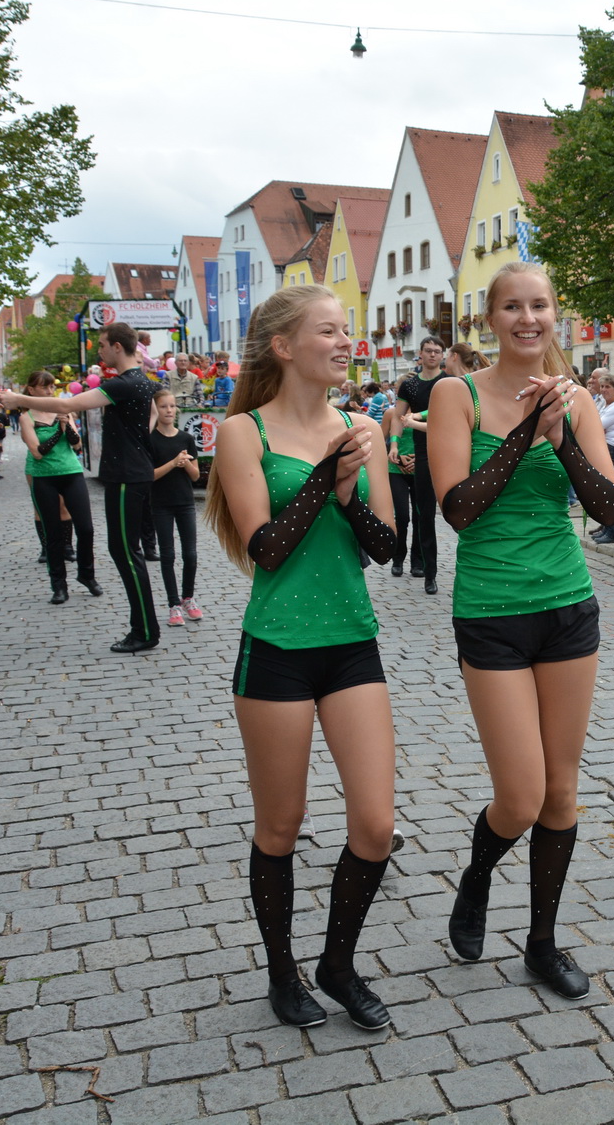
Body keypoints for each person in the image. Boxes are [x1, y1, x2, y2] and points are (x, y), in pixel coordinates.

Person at [206, 283, 399, 1030]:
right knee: (281, 825)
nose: (345, 341)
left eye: (346, 329)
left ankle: (337, 962)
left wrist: (351, 491)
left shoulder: (363, 425)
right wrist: (328, 475)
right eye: (329, 330)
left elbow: (384, 549)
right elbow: (266, 549)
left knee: (376, 825)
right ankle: (283, 974)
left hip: (353, 643)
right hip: (277, 650)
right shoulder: (242, 433)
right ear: (284, 347)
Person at [427, 261, 614, 1001]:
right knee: (520, 793)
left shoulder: (575, 401)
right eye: (513, 306)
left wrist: (562, 433)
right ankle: (477, 875)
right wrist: (521, 433)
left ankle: (542, 940)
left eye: (540, 304)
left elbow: (608, 508)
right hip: (492, 612)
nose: (528, 318)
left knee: (562, 792)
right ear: (491, 318)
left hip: (568, 606)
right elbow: (459, 509)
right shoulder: (457, 394)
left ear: (555, 314)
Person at [0, 322, 165, 653]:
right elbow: (150, 419)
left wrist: (16, 398)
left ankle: (145, 629)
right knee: (126, 551)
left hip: (126, 476)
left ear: (118, 346)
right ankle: (144, 626)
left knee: (125, 552)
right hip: (133, 472)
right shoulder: (144, 382)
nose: (99, 350)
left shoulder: (124, 383)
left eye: (103, 344)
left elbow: (66, 406)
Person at [19, 371, 100, 604]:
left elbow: (77, 446)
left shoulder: (62, 409)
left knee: (85, 528)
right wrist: (57, 431)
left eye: (50, 387)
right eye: (43, 387)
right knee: (53, 532)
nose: (48, 391)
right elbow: (37, 452)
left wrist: (69, 428)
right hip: (43, 476)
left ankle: (86, 574)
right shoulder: (27, 416)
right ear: (31, 390)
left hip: (71, 472)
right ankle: (58, 584)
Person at [396, 337, 449, 591]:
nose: (432, 355)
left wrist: (415, 418)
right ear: (420, 354)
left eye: (437, 351)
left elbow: (444, 416)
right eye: (428, 350)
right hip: (421, 451)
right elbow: (399, 416)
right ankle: (430, 573)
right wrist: (394, 445)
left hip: (449, 448)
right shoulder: (410, 385)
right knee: (424, 513)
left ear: (443, 356)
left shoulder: (449, 383)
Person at [148, 389, 203, 627]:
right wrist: (172, 463)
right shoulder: (150, 439)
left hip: (185, 503)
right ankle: (173, 604)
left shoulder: (185, 439)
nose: (169, 410)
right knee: (168, 555)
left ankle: (187, 598)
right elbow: (149, 475)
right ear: (155, 410)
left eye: (172, 406)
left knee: (190, 554)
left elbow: (196, 476)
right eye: (163, 406)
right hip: (160, 504)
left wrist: (185, 462)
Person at [590, 370, 614, 544]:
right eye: (602, 386)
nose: (604, 390)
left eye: (608, 387)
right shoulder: (605, 404)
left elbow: (597, 425)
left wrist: (596, 426)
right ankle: (607, 525)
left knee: (610, 490)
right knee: (603, 489)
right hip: (607, 446)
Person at [383, 397, 417, 577]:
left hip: (421, 470)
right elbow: (381, 440)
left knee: (421, 518)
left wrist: (421, 458)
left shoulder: (424, 414)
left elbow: (436, 439)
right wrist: (392, 455)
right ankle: (398, 558)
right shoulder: (391, 413)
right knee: (402, 517)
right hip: (395, 470)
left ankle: (418, 561)